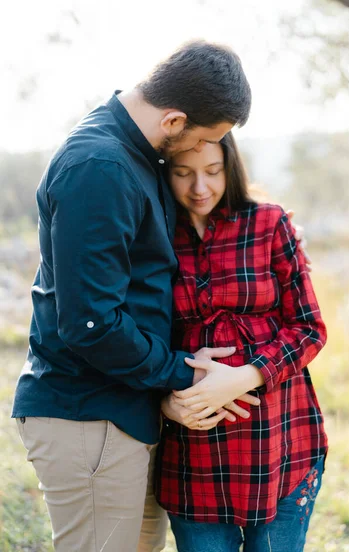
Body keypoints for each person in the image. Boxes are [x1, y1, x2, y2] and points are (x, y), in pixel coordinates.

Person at [11, 41, 258, 552]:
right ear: (173, 120)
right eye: (203, 138)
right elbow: (90, 323)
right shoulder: (101, 167)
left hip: (124, 411)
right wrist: (185, 372)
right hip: (87, 417)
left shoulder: (133, 155)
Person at [155, 131, 328, 552]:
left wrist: (245, 377)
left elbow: (309, 329)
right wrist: (164, 398)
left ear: (230, 168)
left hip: (282, 443)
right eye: (183, 173)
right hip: (195, 459)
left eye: (213, 172)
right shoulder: (154, 234)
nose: (200, 188)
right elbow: (138, 340)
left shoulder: (268, 223)